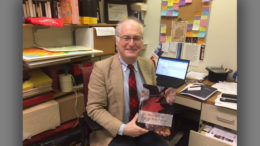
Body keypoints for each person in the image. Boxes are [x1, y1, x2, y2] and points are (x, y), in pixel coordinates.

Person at [86, 18, 172, 146]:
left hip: (144, 129)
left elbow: (153, 100)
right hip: (115, 132)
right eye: (126, 38)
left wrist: (159, 123)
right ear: (117, 41)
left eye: (136, 38)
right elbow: (94, 108)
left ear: (142, 42)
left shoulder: (148, 65)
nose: (131, 43)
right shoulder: (101, 68)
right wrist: (123, 129)